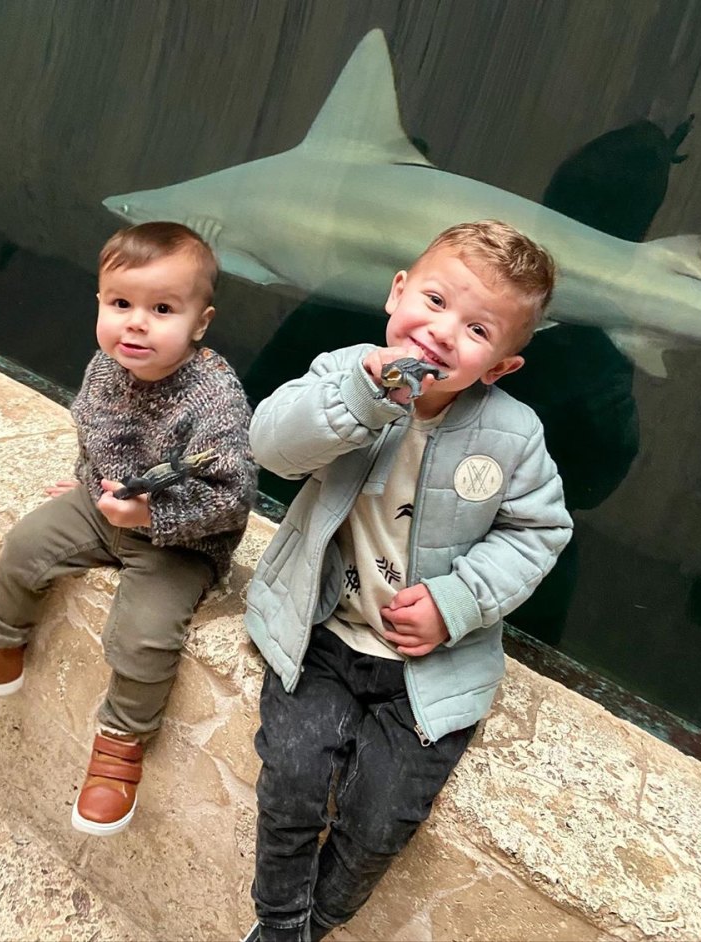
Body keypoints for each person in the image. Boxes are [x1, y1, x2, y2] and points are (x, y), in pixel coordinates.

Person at [242, 220, 573, 940]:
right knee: (293, 778)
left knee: (383, 813)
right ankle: (277, 924)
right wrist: (358, 403)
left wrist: (457, 604)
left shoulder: (513, 435)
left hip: (430, 665)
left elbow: (540, 530)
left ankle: (307, 928)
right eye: (433, 300)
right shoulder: (345, 369)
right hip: (322, 626)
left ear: (499, 368)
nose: (443, 332)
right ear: (396, 293)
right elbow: (269, 445)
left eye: (478, 328)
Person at [0, 221, 257, 837]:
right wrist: (87, 479)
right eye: (121, 304)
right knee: (26, 544)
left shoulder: (214, 397)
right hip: (101, 506)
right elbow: (94, 426)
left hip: (179, 539)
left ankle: (121, 744)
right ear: (99, 302)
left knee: (145, 634)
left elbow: (234, 500)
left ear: (200, 322)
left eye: (162, 309)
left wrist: (153, 515)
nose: (136, 323)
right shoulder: (106, 365)